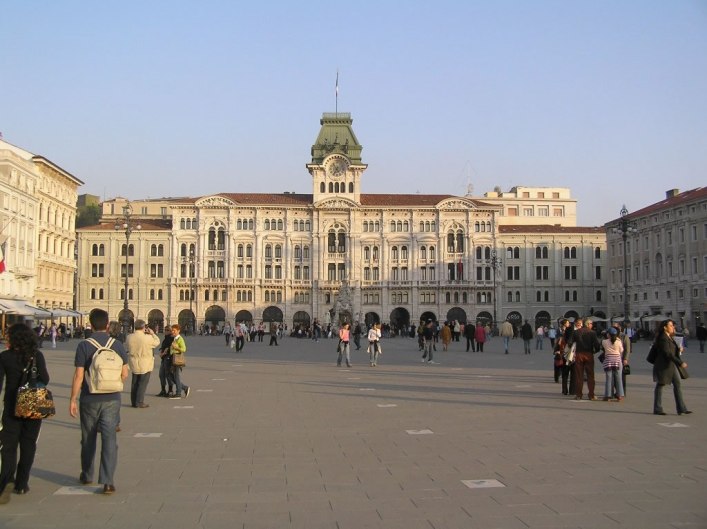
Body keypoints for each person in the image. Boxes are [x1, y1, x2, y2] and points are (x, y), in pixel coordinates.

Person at [70, 308, 129, 495]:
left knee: (88, 437)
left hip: (89, 399)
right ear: (107, 323)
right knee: (109, 438)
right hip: (112, 398)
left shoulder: (84, 345)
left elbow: (79, 375)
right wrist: (113, 383)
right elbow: (125, 372)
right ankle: (108, 481)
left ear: (91, 323)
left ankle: (87, 474)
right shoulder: (117, 344)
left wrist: (73, 398)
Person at [0, 324, 51, 502]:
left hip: (12, 405)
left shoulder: (4, 357)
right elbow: (45, 378)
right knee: (28, 444)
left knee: (8, 446)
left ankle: (7, 480)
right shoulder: (37, 355)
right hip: (32, 403)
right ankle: (22, 484)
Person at [652, 319, 691, 416]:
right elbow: (667, 353)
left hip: (670, 365)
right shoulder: (662, 337)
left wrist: (679, 349)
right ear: (665, 327)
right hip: (663, 366)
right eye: (671, 325)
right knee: (660, 385)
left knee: (677, 385)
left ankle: (681, 408)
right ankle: (657, 408)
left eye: (673, 325)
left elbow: (672, 350)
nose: (673, 327)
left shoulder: (669, 336)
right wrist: (680, 362)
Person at [125, 320, 160, 409]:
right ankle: (139, 402)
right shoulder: (147, 338)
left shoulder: (129, 337)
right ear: (144, 327)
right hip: (145, 362)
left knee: (135, 382)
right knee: (142, 383)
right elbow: (157, 342)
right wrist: (152, 333)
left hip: (133, 361)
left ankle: (134, 401)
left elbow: (126, 347)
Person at [569, 318, 601, 401]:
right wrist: (594, 351)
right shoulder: (592, 333)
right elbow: (597, 345)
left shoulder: (576, 332)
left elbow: (569, 343)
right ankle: (591, 395)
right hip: (589, 354)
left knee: (579, 375)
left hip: (579, 354)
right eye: (591, 323)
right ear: (588, 324)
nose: (592, 325)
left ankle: (579, 394)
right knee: (590, 375)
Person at [601, 327, 624, 402]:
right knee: (618, 378)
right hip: (617, 360)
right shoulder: (619, 341)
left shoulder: (604, 341)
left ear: (608, 334)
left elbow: (603, 347)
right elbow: (621, 350)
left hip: (608, 360)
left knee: (609, 378)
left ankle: (608, 396)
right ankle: (619, 395)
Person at [168, 324, 190, 399]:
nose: (172, 332)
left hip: (177, 359)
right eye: (172, 330)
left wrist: (176, 347)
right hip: (173, 359)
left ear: (178, 331)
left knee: (176, 376)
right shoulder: (175, 338)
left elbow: (184, 349)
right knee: (171, 376)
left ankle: (178, 393)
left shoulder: (180, 339)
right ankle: (184, 387)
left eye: (174, 330)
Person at [156, 327, 174, 397]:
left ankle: (170, 390)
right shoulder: (166, 338)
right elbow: (163, 347)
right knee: (161, 374)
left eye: (168, 330)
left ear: (171, 331)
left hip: (168, 358)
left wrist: (163, 353)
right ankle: (163, 390)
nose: (166, 331)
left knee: (168, 374)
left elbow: (168, 348)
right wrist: (161, 351)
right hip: (163, 359)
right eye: (165, 330)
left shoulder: (171, 338)